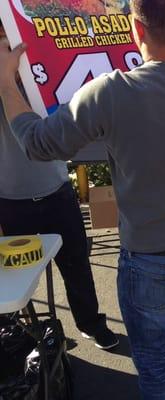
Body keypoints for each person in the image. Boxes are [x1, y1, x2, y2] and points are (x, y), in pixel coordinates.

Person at [0, 1, 165, 399]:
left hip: (150, 263)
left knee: (162, 376)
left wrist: (6, 82)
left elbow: (38, 142)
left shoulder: (112, 93)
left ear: (136, 29)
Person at [0, 20, 118, 351]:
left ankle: (91, 324)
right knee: (14, 283)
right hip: (9, 200)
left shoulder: (41, 80)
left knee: (77, 263)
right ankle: (31, 337)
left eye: (13, 46)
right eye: (5, 47)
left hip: (57, 191)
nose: (11, 54)